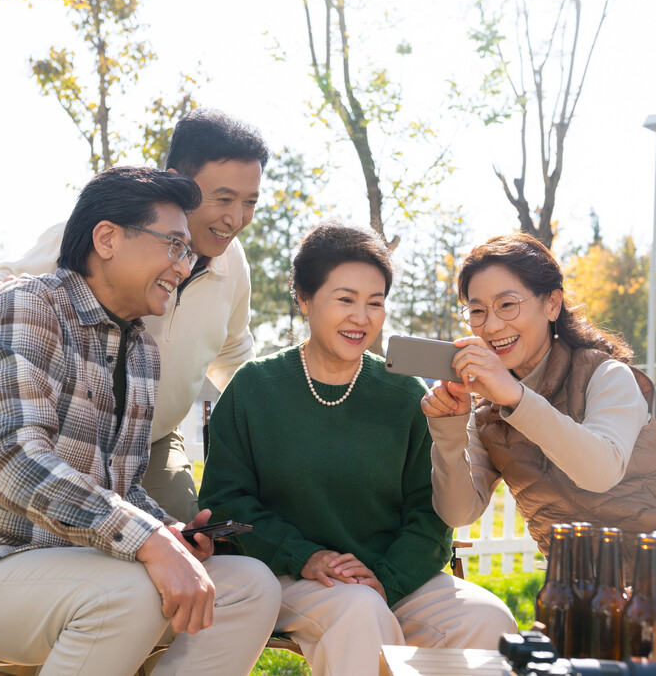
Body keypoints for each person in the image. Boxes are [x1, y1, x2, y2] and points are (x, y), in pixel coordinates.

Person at [0, 167, 281, 675]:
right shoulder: (25, 308)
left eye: (187, 253)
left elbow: (118, 489)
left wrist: (170, 532)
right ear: (107, 238)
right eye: (174, 246)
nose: (183, 268)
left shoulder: (139, 348)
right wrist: (148, 541)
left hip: (75, 567)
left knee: (249, 586)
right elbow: (13, 460)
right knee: (129, 592)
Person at [198, 222, 517, 676]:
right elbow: (225, 501)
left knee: (490, 619)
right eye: (345, 299)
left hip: (386, 575)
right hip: (286, 573)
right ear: (305, 299)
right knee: (358, 610)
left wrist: (387, 580)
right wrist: (303, 555)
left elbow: (429, 513)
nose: (362, 318)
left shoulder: (405, 393)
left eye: (375, 303)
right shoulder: (255, 387)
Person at [0, 108, 268, 523]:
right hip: (67, 434)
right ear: (179, 181)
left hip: (150, 442)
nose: (236, 218)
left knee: (184, 541)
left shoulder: (233, 265)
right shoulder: (113, 234)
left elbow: (233, 356)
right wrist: (11, 320)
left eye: (249, 202)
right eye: (224, 198)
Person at [422, 233, 656, 598]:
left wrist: (515, 396)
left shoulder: (606, 375)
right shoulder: (486, 414)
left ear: (552, 304)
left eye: (507, 305)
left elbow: (599, 471)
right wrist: (448, 432)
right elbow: (458, 513)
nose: (491, 326)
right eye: (477, 311)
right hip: (594, 594)